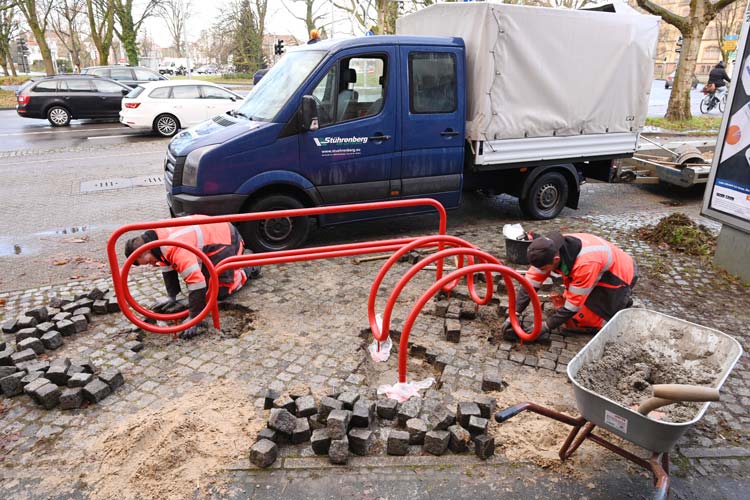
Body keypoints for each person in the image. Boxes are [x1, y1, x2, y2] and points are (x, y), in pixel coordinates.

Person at [124, 216, 260, 339]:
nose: (152, 265)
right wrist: (172, 296)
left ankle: (249, 265)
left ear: (146, 250)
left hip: (225, 238)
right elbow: (166, 264)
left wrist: (194, 318)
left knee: (220, 292)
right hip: (212, 235)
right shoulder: (155, 239)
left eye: (148, 261)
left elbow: (196, 282)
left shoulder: (175, 247)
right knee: (207, 288)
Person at [503, 232, 637, 341]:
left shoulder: (585, 264)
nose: (541, 271)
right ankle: (617, 302)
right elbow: (530, 284)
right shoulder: (549, 249)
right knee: (572, 299)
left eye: (544, 268)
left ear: (555, 260)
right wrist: (514, 313)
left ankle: (620, 300)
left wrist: (546, 326)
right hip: (599, 267)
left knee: (581, 320)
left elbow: (573, 305)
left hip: (619, 276)